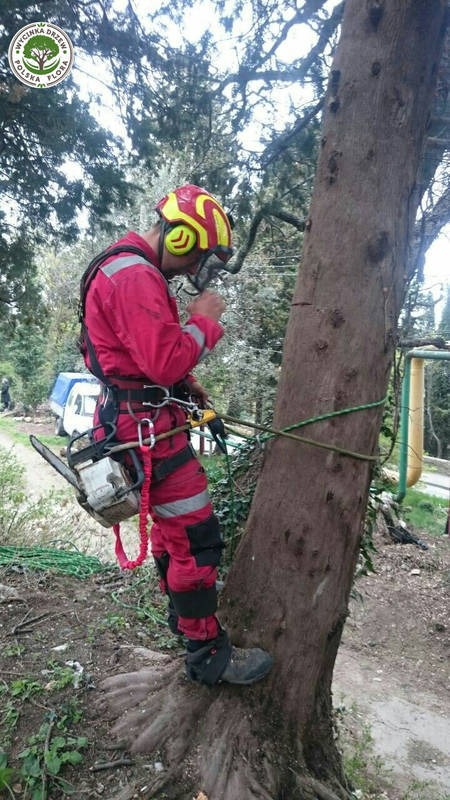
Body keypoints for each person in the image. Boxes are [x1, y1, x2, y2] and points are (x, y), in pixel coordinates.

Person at [79, 184, 272, 686]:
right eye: (195, 259)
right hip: (145, 430)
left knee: (173, 534)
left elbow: (144, 359)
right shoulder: (135, 275)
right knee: (195, 538)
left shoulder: (127, 268)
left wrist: (187, 384)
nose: (190, 271)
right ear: (181, 237)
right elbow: (163, 361)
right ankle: (207, 653)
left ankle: (184, 614)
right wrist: (204, 323)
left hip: (141, 420)